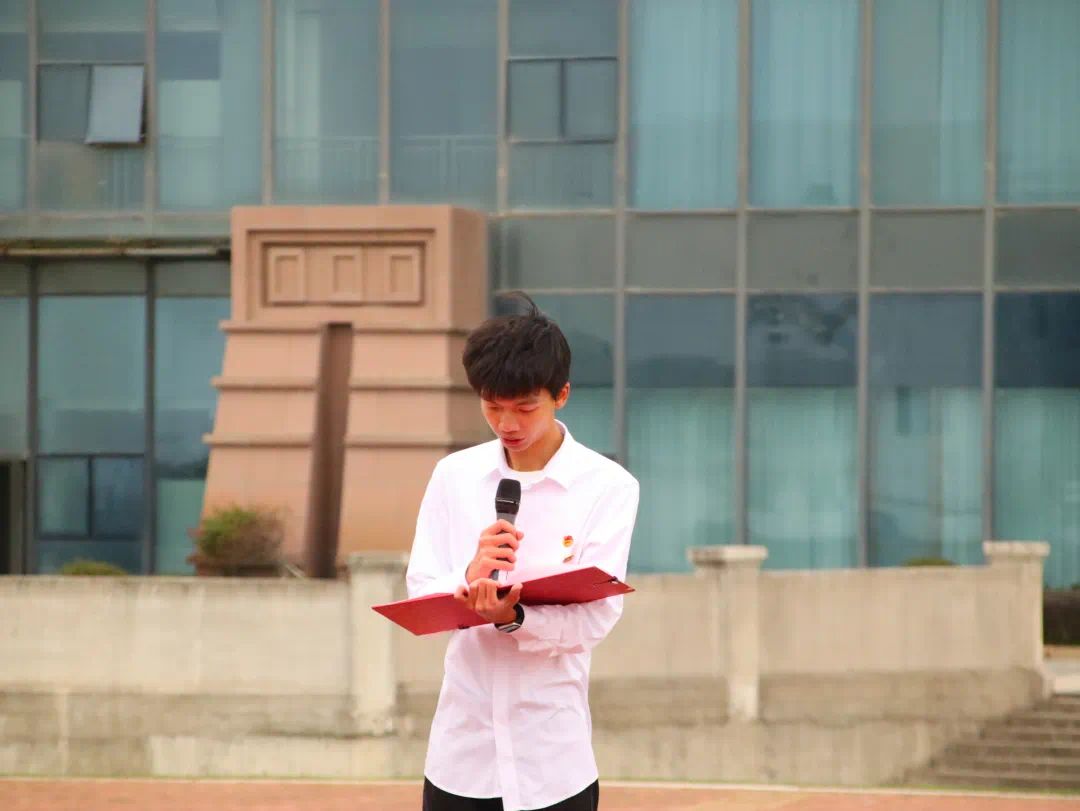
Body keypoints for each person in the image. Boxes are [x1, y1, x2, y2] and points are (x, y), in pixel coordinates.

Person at [406, 294, 640, 811]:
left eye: (525, 407)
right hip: (461, 757)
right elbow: (421, 591)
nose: (507, 423)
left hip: (552, 760)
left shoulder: (608, 487)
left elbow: (596, 620)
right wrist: (467, 576)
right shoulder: (454, 476)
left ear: (562, 395)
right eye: (492, 406)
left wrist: (515, 618)